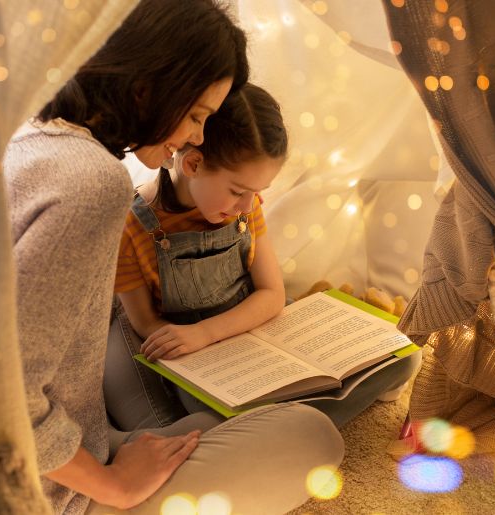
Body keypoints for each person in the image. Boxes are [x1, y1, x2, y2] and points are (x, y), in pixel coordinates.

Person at [4, 1, 343, 514]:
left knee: (207, 427)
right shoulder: (93, 184)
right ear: (148, 87)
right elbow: (5, 398)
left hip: (58, 450)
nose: (197, 137)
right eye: (196, 116)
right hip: (38, 492)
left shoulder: (30, 136)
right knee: (313, 437)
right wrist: (115, 487)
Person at [106, 83, 421, 432]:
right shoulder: (132, 226)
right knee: (203, 412)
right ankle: (289, 426)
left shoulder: (245, 207)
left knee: (403, 358)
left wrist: (213, 332)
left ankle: (280, 427)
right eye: (238, 191)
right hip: (197, 354)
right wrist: (198, 338)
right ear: (193, 163)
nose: (248, 205)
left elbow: (271, 294)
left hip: (254, 330)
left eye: (256, 193)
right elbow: (145, 323)